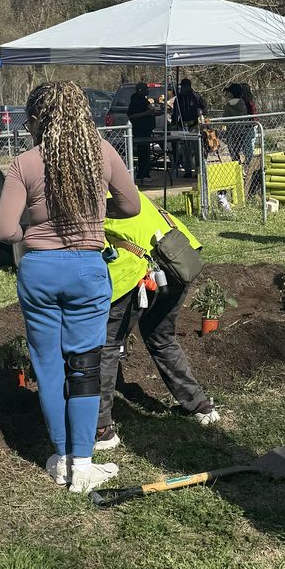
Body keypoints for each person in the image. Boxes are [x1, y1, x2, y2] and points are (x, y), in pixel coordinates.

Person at [0, 81, 141, 493]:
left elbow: (4, 229)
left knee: (48, 366)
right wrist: (91, 209)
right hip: (87, 272)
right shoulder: (102, 153)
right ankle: (83, 461)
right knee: (85, 367)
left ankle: (59, 457)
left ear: (37, 120)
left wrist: (33, 229)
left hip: (38, 271)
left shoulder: (24, 163)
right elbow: (132, 206)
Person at [95, 191, 218, 451]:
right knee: (160, 336)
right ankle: (201, 406)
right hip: (179, 260)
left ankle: (101, 428)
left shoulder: (90, 198)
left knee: (106, 345)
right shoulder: (122, 186)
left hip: (142, 271)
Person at [127, 82, 157, 183]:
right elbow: (131, 116)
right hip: (140, 131)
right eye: (145, 89)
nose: (147, 90)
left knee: (146, 153)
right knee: (143, 153)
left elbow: (150, 111)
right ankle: (142, 174)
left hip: (147, 130)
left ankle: (145, 173)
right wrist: (146, 113)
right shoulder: (135, 101)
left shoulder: (145, 100)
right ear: (140, 90)